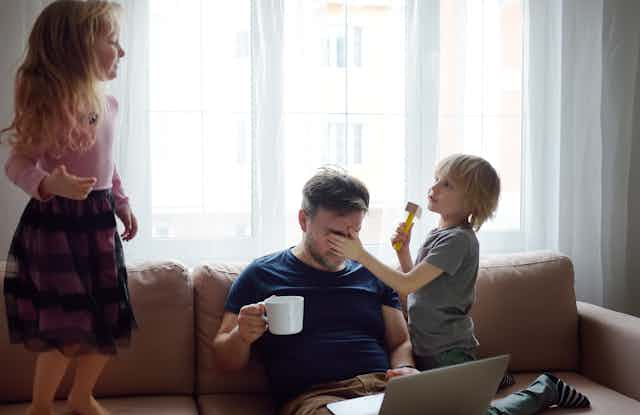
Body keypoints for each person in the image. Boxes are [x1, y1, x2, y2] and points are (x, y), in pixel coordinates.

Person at [328, 153, 591, 414]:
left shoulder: (458, 241)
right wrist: (403, 252)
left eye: (447, 185)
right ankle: (490, 377)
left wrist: (360, 254)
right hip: (425, 346)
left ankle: (545, 389)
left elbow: (406, 285)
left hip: (446, 350)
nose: (434, 188)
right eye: (436, 179)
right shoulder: (439, 235)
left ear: (472, 202)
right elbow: (419, 286)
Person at [1, 2, 136, 415]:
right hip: (56, 226)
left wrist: (122, 203)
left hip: (97, 224)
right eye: (112, 41)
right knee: (67, 330)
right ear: (78, 46)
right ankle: (40, 406)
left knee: (109, 323)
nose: (122, 51)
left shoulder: (109, 106)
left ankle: (80, 396)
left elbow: (108, 168)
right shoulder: (50, 103)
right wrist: (47, 183)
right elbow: (17, 163)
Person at [212, 167, 419, 415]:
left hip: (381, 389)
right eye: (334, 234)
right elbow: (225, 359)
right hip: (316, 398)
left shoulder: (372, 273)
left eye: (354, 233)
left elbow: (400, 341)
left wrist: (405, 368)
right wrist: (241, 335)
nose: (345, 245)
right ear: (303, 220)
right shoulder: (260, 274)